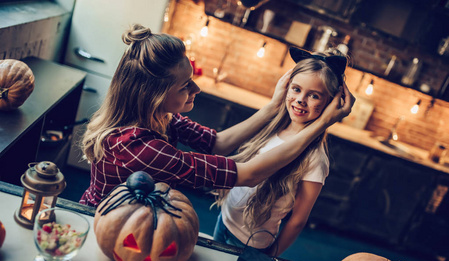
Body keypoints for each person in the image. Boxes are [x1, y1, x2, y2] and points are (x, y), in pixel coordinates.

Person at [80, 24, 355, 208]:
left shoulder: (160, 116)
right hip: (103, 221)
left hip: (133, 214)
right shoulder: (143, 148)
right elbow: (249, 174)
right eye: (185, 85)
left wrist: (273, 106)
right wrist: (323, 122)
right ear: (154, 95)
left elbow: (217, 143)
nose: (196, 88)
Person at [213, 47, 348, 256]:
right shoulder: (272, 126)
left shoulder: (315, 158)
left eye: (314, 96)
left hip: (249, 244)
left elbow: (298, 220)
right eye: (296, 89)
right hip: (224, 220)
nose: (301, 100)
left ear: (330, 104)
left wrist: (271, 254)